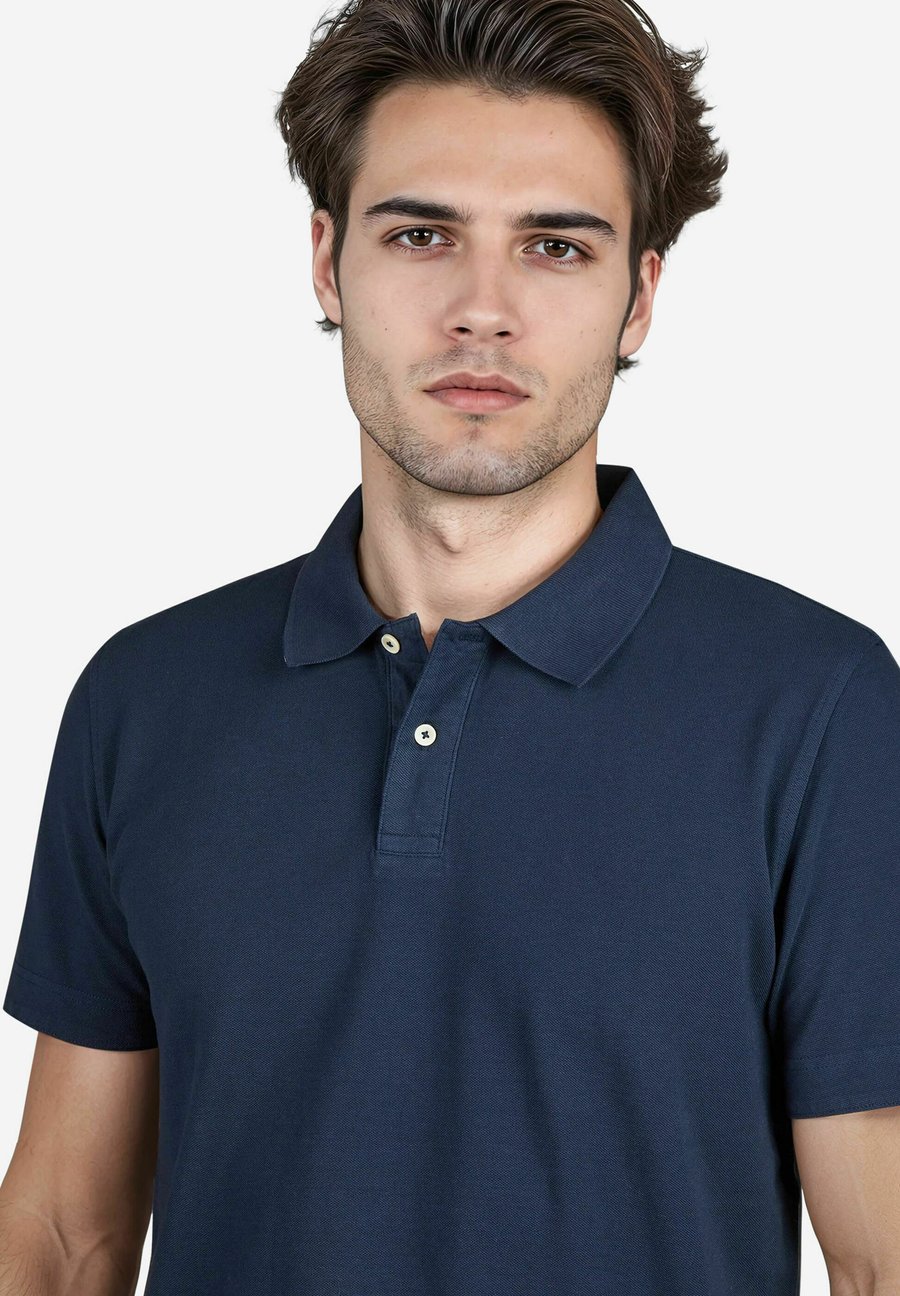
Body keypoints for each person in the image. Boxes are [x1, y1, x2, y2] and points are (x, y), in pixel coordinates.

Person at [2, 0, 899, 1291]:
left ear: (640, 297)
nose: (484, 310)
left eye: (556, 247)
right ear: (327, 262)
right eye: (422, 235)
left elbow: (878, 1258)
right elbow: (63, 1234)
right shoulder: (145, 698)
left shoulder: (821, 706)